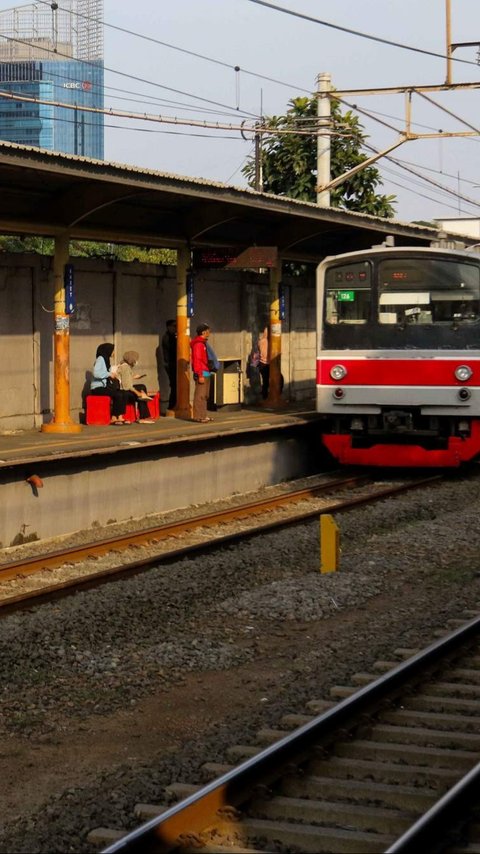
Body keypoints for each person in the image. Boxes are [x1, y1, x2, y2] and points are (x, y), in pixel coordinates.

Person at [90, 343, 129, 425]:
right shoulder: (100, 359)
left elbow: (109, 370)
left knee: (123, 393)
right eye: (113, 350)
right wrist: (109, 374)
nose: (114, 352)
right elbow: (96, 373)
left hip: (105, 386)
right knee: (117, 394)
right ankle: (114, 417)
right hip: (98, 388)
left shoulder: (106, 360)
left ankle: (120, 416)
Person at [116, 351, 155, 424]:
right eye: (136, 359)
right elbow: (127, 386)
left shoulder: (124, 365)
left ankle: (144, 415)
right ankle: (143, 417)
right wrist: (137, 393)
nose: (136, 361)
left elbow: (125, 379)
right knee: (141, 392)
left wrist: (133, 377)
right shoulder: (125, 367)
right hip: (123, 391)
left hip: (123, 389)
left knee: (141, 387)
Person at [190, 322, 213, 423]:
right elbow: (197, 360)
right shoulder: (198, 344)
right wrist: (200, 374)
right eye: (208, 331)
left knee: (205, 395)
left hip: (206, 371)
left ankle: (203, 415)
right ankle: (198, 416)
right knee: (200, 395)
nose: (209, 332)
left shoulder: (203, 343)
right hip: (202, 372)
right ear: (203, 332)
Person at [162, 319, 177, 410]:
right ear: (169, 327)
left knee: (175, 385)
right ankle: (172, 406)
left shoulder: (171, 336)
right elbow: (173, 350)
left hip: (172, 363)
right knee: (174, 385)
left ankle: (173, 405)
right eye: (174, 326)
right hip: (171, 364)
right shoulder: (167, 337)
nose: (176, 328)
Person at [258, 326, 270, 400]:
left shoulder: (260, 341)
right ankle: (266, 396)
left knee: (265, 380)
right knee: (277, 379)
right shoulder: (270, 342)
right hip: (268, 363)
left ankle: (264, 396)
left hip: (261, 363)